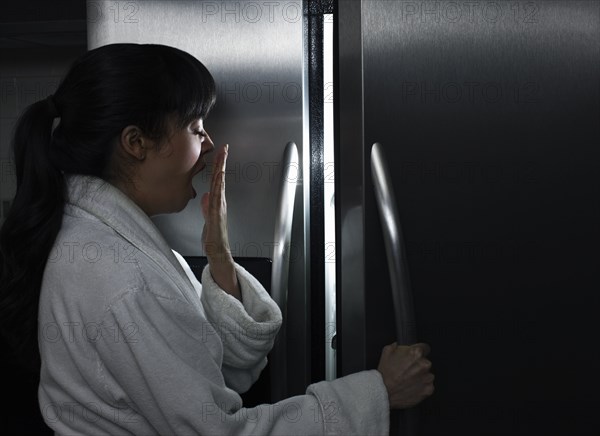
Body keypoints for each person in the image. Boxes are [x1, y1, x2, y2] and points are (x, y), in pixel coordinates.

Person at [0, 43, 434, 435]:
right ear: (135, 142)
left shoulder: (111, 242)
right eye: (194, 127)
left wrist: (218, 252)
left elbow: (210, 366)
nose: (209, 144)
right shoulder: (117, 274)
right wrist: (378, 393)